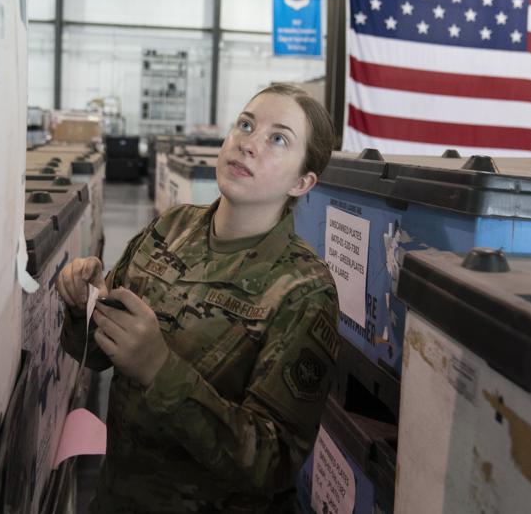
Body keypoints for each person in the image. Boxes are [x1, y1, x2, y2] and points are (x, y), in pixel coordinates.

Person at [56, 84, 340, 513]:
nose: (248, 143)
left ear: (302, 182)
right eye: (245, 124)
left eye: (278, 139)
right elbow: (96, 355)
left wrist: (158, 368)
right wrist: (87, 306)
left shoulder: (303, 290)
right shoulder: (171, 228)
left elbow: (273, 463)